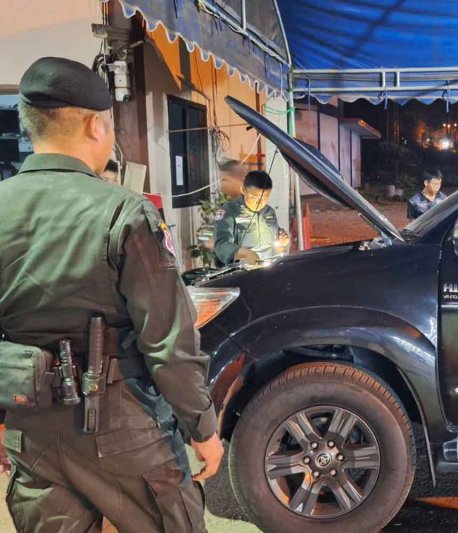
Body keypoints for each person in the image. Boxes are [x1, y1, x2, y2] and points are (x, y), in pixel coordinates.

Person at [0, 57, 223, 532]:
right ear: (94, 125)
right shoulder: (124, 212)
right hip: (123, 426)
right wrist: (202, 428)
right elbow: (168, 342)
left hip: (33, 428)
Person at [215, 170, 290, 265]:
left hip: (270, 270)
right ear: (243, 190)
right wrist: (246, 254)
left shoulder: (269, 212)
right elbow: (221, 246)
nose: (260, 203)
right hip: (243, 272)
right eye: (255, 197)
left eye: (265, 198)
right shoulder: (229, 211)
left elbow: (276, 248)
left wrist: (282, 244)